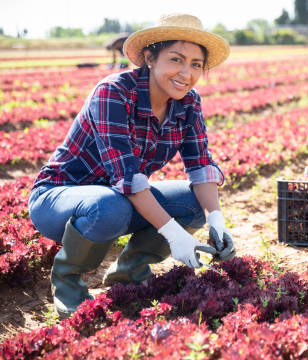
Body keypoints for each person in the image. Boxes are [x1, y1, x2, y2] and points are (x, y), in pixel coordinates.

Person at [28, 14, 236, 318]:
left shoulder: (188, 103)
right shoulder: (114, 92)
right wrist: (175, 235)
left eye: (196, 64)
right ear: (150, 57)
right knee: (110, 205)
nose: (186, 73)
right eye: (176, 59)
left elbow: (201, 165)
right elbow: (125, 177)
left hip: (118, 198)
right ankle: (68, 282)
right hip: (58, 198)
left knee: (193, 205)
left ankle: (128, 272)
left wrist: (216, 220)